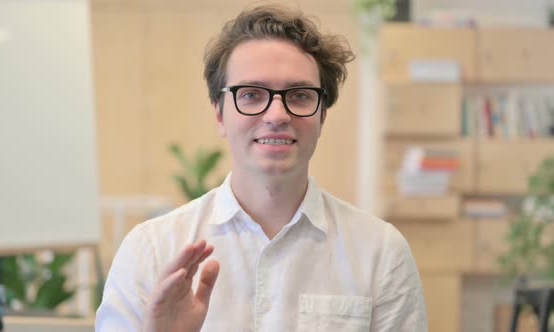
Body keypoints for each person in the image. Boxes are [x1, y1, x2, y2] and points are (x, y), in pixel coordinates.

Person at [95, 4, 427, 332]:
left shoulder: (380, 252)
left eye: (299, 95)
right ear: (219, 115)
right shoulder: (152, 250)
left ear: (322, 116)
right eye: (252, 94)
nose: (277, 115)